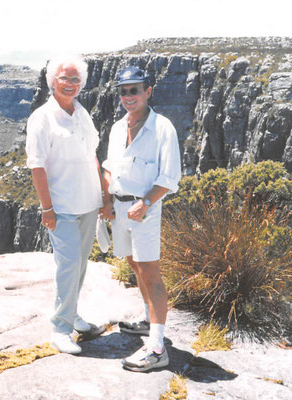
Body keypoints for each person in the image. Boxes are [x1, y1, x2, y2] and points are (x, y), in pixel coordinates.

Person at [101, 66, 181, 372]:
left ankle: (157, 348)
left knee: (151, 273)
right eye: (123, 91)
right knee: (134, 264)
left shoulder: (163, 128)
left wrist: (146, 203)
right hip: (120, 209)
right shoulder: (117, 128)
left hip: (144, 211)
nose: (128, 96)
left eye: (134, 90)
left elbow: (170, 177)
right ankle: (148, 320)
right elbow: (109, 167)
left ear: (148, 91)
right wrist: (107, 200)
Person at [26, 55, 103, 354]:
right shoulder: (42, 118)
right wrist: (47, 208)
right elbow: (37, 166)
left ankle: (72, 314)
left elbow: (92, 155)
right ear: (52, 81)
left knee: (80, 264)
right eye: (64, 78)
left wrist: (103, 197)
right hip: (62, 206)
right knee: (68, 264)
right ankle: (60, 328)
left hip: (88, 202)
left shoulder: (82, 113)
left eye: (75, 79)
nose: (70, 84)